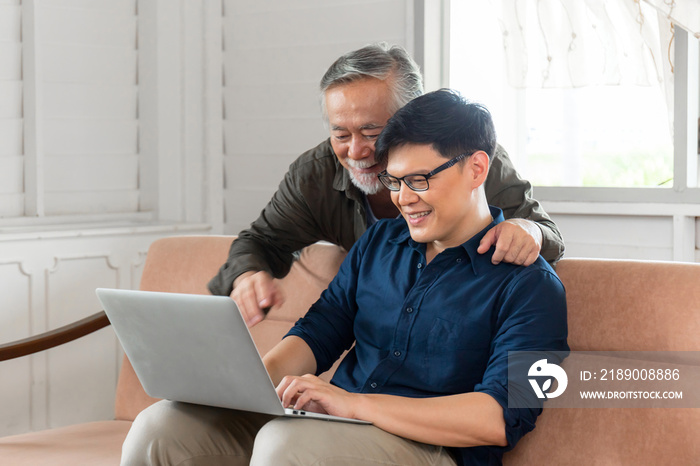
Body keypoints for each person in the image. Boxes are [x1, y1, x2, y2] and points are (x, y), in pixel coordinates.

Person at [121, 89, 568, 466]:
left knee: (287, 446)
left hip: (431, 450)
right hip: (331, 426)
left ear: (476, 168)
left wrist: (354, 405)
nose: (403, 199)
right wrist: (246, 387)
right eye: (394, 182)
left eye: (418, 179)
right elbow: (319, 332)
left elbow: (496, 418)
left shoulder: (531, 286)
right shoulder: (379, 244)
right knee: (162, 427)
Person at [207, 43, 565, 327]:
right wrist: (248, 275)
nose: (356, 151)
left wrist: (526, 229)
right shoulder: (314, 175)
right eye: (340, 134)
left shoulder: (469, 161)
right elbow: (262, 241)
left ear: (412, 119)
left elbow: (546, 234)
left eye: (372, 133)